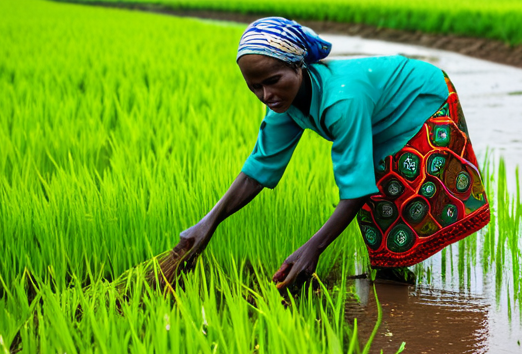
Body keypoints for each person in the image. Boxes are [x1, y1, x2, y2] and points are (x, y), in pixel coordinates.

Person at [177, 17, 489, 288]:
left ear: (299, 66)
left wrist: (313, 248)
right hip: (378, 113)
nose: (266, 95)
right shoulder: (283, 105)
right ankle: (392, 280)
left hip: (421, 99)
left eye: (273, 81)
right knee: (379, 200)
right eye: (254, 86)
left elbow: (355, 187)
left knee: (392, 188)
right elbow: (258, 169)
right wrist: (208, 224)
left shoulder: (341, 101)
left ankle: (396, 285)